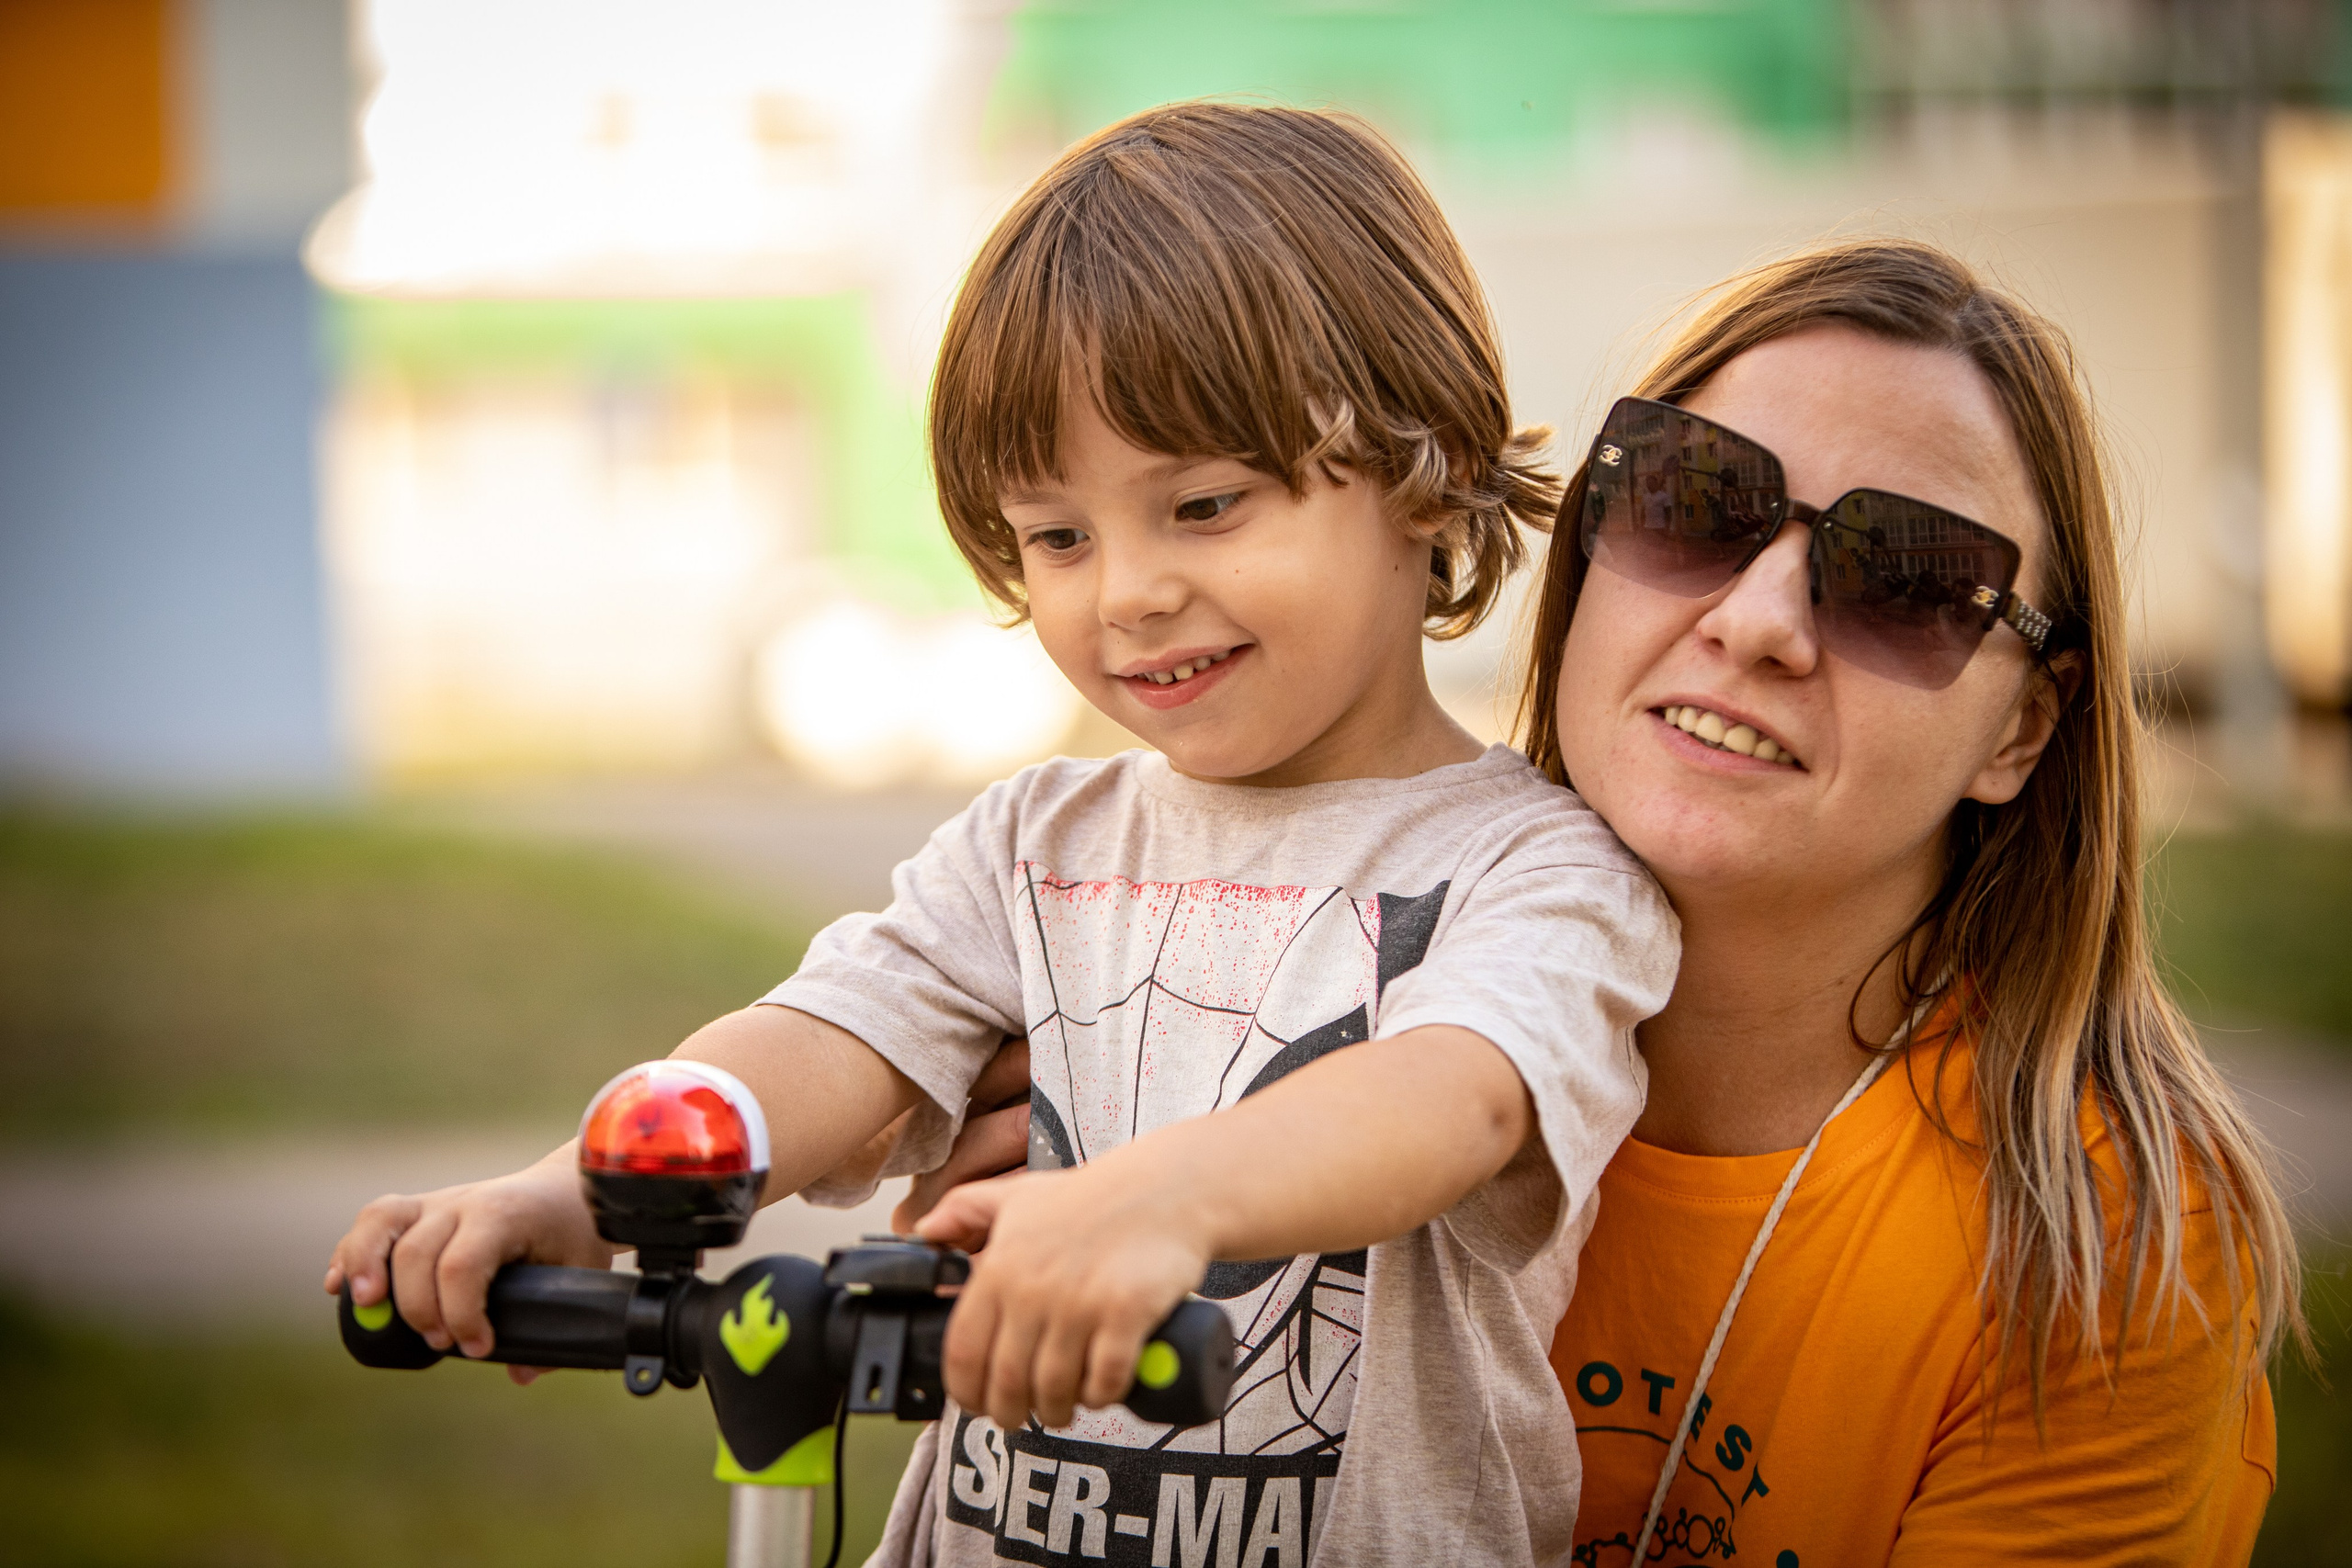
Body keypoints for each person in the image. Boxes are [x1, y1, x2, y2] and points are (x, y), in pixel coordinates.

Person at [324, 103, 1681, 1566]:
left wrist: (1153, 1203)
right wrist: (584, 1191)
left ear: (1427, 470)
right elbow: (839, 1028)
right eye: (1057, 537)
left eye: (1204, 504)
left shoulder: (1539, 868)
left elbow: (1459, 1099)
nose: (1128, 595)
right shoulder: (1037, 838)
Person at [914, 238, 2300, 1563]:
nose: (1759, 618)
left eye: (1909, 577)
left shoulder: (2105, 1254)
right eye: (1694, 497)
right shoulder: (1200, 1020)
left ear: (2022, 730)